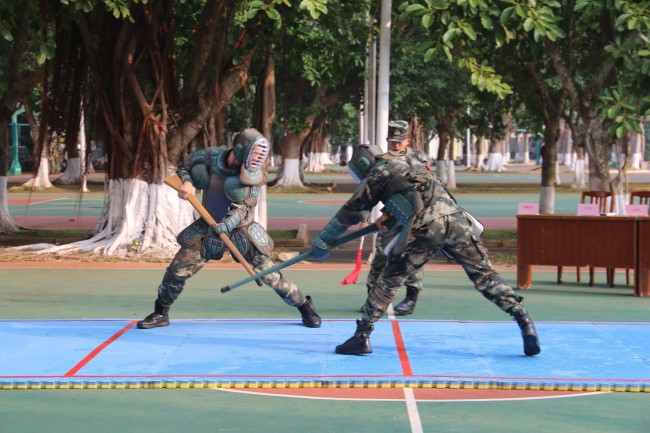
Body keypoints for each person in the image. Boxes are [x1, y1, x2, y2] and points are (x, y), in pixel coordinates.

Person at [311, 122, 541, 357]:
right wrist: (389, 214)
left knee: (390, 278)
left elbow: (350, 212)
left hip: (427, 227)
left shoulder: (377, 172)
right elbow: (417, 193)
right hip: (458, 220)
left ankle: (362, 336)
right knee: (486, 276)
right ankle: (524, 320)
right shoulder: (415, 163)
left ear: (363, 164)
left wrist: (322, 241)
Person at [137, 128, 321, 329]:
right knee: (177, 270)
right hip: (207, 226)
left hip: (241, 231)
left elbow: (244, 207)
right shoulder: (209, 157)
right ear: (240, 148)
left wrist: (226, 226)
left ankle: (305, 307)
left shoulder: (252, 174)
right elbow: (185, 168)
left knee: (269, 274)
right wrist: (187, 182)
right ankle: (161, 313)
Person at [360, 121, 428, 316]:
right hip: (391, 216)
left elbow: (422, 188)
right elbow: (370, 188)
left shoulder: (417, 158)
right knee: (381, 256)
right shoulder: (382, 160)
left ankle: (410, 299)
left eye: (400, 141)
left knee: (411, 256)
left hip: (415, 215)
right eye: (392, 141)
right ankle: (372, 298)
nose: (396, 145)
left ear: (408, 140)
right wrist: (367, 215)